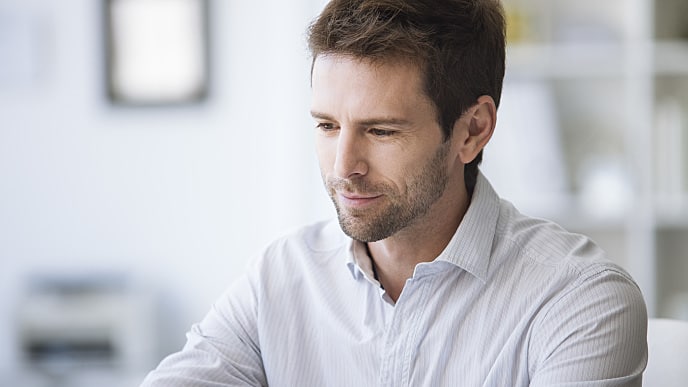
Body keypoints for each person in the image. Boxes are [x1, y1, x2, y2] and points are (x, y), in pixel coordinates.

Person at [141, 0, 648, 385]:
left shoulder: (578, 300)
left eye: (381, 131)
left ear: (472, 130)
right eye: (326, 125)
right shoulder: (279, 278)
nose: (344, 167)